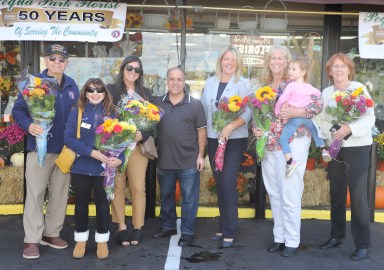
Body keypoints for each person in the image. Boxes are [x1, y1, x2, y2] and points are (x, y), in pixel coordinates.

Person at [253, 45, 322, 257]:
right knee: (274, 193)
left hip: (293, 144)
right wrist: (256, 129)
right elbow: (260, 115)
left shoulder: (297, 84)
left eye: (280, 58)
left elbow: (317, 106)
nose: (276, 61)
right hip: (270, 144)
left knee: (290, 193)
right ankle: (279, 237)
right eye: (272, 58)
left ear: (288, 62)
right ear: (268, 62)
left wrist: (297, 111)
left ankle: (292, 240)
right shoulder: (263, 87)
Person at [12, 44, 79, 259]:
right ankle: (32, 239)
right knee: (36, 194)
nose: (57, 62)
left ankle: (51, 234)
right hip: (39, 147)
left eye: (61, 59)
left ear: (66, 62)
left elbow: (76, 115)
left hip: (65, 149)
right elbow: (18, 110)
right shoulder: (34, 84)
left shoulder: (72, 85)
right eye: (53, 59)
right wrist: (29, 126)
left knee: (59, 194)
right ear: (46, 60)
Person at [317, 53, 374, 261]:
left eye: (343, 66)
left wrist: (349, 127)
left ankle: (363, 244)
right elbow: (321, 119)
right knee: (337, 193)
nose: (339, 70)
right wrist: (334, 131)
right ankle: (337, 236)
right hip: (335, 148)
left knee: (358, 198)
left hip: (357, 147)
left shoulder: (359, 89)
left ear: (350, 70)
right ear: (329, 72)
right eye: (334, 67)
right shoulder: (326, 92)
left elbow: (369, 117)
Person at [64, 78, 123, 259]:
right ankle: (81, 241)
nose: (95, 93)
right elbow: (68, 138)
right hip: (81, 167)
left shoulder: (113, 113)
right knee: (81, 204)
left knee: (102, 204)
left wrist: (119, 159)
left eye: (99, 90)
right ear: (85, 93)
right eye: (91, 90)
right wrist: (91, 152)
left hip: (103, 169)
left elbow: (122, 141)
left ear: (105, 93)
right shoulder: (77, 112)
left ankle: (102, 241)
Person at [201, 46, 252, 248]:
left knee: (229, 181)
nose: (229, 62)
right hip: (215, 139)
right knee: (220, 181)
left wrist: (230, 126)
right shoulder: (210, 82)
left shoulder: (244, 83)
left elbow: (247, 113)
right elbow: (205, 111)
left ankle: (230, 230)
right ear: (220, 61)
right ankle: (223, 225)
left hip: (235, 140)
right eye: (226, 59)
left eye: (233, 59)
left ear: (237, 62)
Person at [152, 67, 206, 247]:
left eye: (179, 79)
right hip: (164, 160)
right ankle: (168, 226)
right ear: (166, 81)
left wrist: (200, 155)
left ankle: (188, 232)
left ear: (184, 82)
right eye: (172, 79)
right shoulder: (157, 103)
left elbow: (201, 131)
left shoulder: (195, 104)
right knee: (167, 196)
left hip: (188, 160)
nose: (175, 83)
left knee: (189, 198)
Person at [108, 55, 153, 246]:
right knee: (117, 186)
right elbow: (105, 116)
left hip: (137, 147)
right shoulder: (111, 90)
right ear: (122, 69)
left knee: (138, 187)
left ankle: (137, 227)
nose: (133, 72)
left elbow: (152, 120)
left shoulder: (146, 93)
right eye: (129, 68)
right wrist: (116, 133)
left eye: (137, 69)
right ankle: (121, 227)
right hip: (117, 146)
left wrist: (142, 134)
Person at [274, 56, 331, 178]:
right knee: (315, 131)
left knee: (283, 139)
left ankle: (290, 162)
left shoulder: (291, 85)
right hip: (306, 118)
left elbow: (282, 98)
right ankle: (323, 149)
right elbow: (318, 95)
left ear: (303, 72)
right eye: (289, 69)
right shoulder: (310, 87)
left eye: (293, 69)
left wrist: (277, 109)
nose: (290, 71)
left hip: (295, 119)